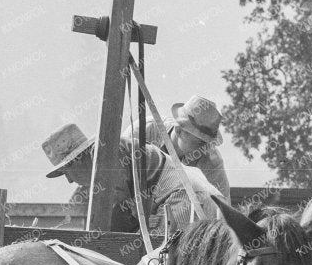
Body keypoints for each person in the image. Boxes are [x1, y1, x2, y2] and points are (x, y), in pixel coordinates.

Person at [41, 123, 218, 239]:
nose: (70, 181)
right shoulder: (108, 151)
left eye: (66, 172)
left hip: (186, 198)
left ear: (77, 160)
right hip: (197, 193)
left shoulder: (104, 156)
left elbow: (119, 218)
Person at [165, 96, 231, 200]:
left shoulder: (212, 161)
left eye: (209, 143)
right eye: (200, 142)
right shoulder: (144, 134)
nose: (206, 150)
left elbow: (223, 208)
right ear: (178, 130)